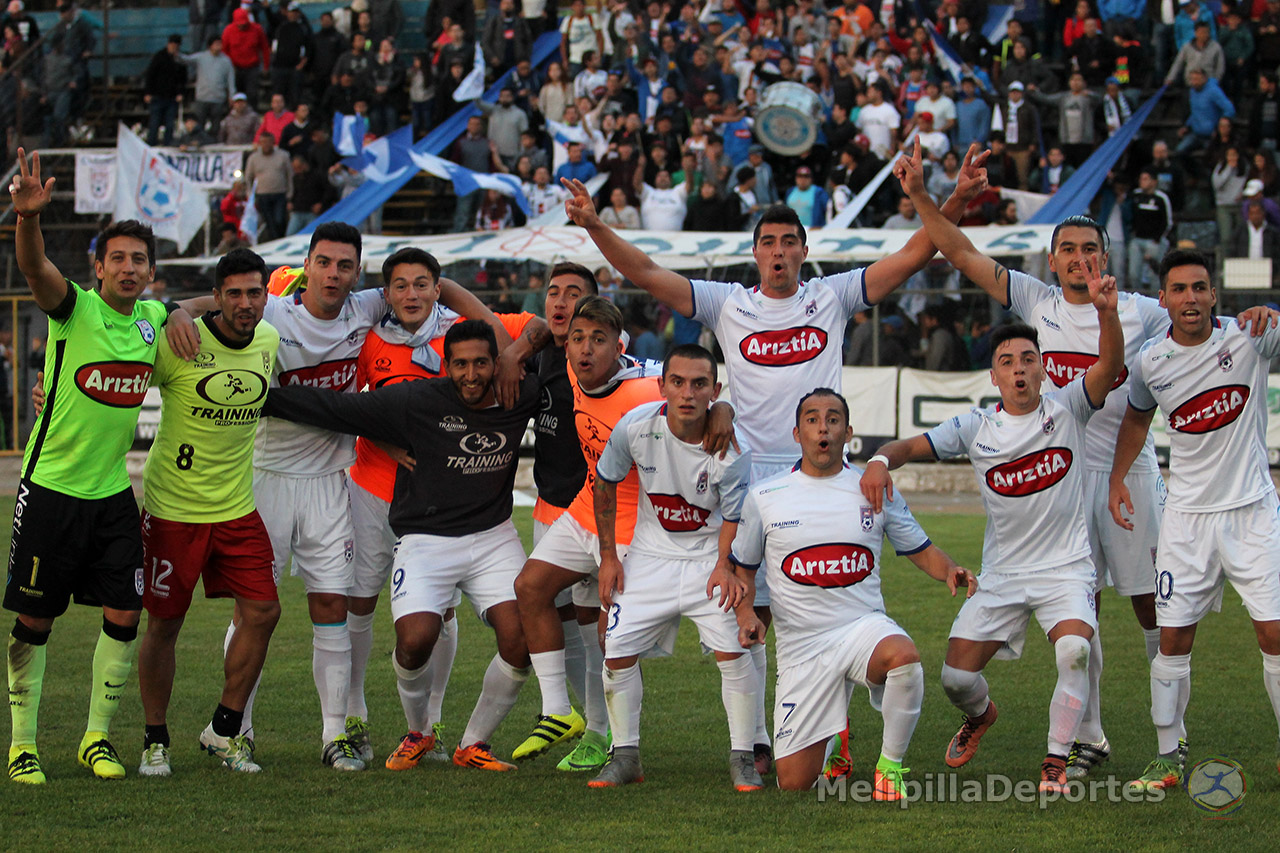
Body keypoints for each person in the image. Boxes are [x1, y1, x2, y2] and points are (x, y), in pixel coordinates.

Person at [560, 142, 990, 778]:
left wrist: (950, 199)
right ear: (756, 251)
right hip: (749, 484)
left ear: (804, 250)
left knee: (832, 603)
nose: (780, 252)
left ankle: (834, 735)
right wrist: (596, 226)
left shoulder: (833, 296)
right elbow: (647, 273)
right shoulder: (728, 303)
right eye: (769, 242)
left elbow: (913, 254)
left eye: (790, 241)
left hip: (824, 473)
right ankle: (762, 741)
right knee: (753, 613)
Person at [187, 223, 509, 772]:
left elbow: (437, 291)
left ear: (358, 274)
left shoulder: (367, 308)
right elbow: (210, 309)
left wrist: (484, 321)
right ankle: (236, 729)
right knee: (253, 611)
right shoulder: (271, 313)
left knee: (332, 608)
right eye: (323, 262)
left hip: (331, 480)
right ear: (306, 265)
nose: (332, 274)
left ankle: (335, 734)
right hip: (264, 478)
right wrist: (176, 312)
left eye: (343, 265)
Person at [882, 140, 1124, 792]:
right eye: (1008, 363)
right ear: (993, 375)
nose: (1020, 369)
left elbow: (1111, 369)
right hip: (1005, 573)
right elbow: (960, 253)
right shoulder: (978, 424)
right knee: (955, 678)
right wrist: (878, 459)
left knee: (1080, 646)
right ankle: (981, 715)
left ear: (1044, 370)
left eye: (1029, 361)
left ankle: (1059, 758)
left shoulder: (1070, 403)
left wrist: (1108, 315)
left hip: (1076, 547)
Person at [262, 321, 543, 772]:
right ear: (446, 366)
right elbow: (338, 408)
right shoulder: (419, 400)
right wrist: (261, 397)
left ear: (498, 363)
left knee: (522, 639)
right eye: (461, 365)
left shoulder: (519, 393)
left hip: (493, 537)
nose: (471, 375)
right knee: (414, 641)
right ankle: (419, 731)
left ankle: (474, 743)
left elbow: (556, 341)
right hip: (424, 539)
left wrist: (523, 348)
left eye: (481, 363)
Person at [5, 149, 192, 784]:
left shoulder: (153, 320)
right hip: (50, 489)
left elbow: (191, 307)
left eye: (139, 260)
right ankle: (23, 744)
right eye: (118, 258)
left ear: (151, 272)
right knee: (36, 621)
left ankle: (96, 738)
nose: (129, 268)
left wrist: (184, 310)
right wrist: (28, 219)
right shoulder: (75, 308)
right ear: (99, 267)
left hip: (113, 493)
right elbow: (35, 269)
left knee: (125, 615)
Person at [511, 295, 735, 773]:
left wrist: (724, 409)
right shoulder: (571, 368)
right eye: (578, 338)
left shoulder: (645, 386)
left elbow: (693, 386)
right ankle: (558, 711)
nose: (585, 348)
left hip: (634, 527)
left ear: (620, 347)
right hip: (587, 508)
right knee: (529, 587)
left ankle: (610, 738)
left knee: (609, 636)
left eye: (598, 340)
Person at [343, 249, 548, 770]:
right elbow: (351, 404)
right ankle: (352, 715)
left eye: (423, 284)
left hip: (462, 506)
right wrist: (385, 439)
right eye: (400, 286)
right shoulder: (368, 339)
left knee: (447, 615)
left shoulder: (463, 331)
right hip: (375, 490)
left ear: (438, 289)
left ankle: (440, 727)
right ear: (386, 294)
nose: (411, 294)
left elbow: (538, 327)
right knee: (364, 606)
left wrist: (513, 351)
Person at [732, 387, 973, 795]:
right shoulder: (765, 497)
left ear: (848, 433)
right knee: (794, 783)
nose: (822, 428)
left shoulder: (871, 487)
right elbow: (744, 568)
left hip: (861, 628)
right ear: (797, 434)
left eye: (833, 419)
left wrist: (950, 569)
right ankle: (836, 739)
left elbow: (921, 547)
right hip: (802, 648)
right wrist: (745, 615)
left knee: (904, 658)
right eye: (812, 420)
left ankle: (889, 769)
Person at [1111, 249, 1280, 791]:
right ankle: (1168, 756)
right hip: (1185, 522)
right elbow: (1136, 419)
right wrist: (1117, 478)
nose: (1191, 298)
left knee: (1275, 632)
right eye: (1179, 289)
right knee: (1172, 640)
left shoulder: (1249, 337)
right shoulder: (1150, 361)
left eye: (1200, 288)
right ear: (1163, 299)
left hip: (1252, 511)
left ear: (1214, 295)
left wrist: (1274, 311)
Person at [134, 249, 281, 777]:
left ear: (265, 296)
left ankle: (223, 729)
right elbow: (121, 377)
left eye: (254, 293)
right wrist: (47, 390)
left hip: (237, 508)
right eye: (233, 293)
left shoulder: (269, 340)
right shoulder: (182, 341)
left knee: (264, 611)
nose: (245, 303)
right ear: (215, 297)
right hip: (174, 511)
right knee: (164, 625)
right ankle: (155, 740)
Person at [590, 345, 762, 791]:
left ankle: (743, 757)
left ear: (714, 390)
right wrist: (609, 557)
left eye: (699, 384)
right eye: (678, 382)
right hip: (650, 555)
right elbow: (605, 482)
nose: (688, 393)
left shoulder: (732, 450)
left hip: (710, 557)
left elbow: (735, 518)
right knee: (615, 647)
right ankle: (625, 756)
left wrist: (724, 565)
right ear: (662, 385)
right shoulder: (635, 426)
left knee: (734, 651)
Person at [143, 35, 189, 146]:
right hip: (158, 95)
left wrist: (181, 92)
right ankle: (151, 144)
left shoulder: (179, 60)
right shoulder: (159, 57)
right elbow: (150, 75)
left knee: (170, 124)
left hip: (172, 97)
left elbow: (183, 79)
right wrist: (148, 92)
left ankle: (168, 144)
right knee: (154, 123)